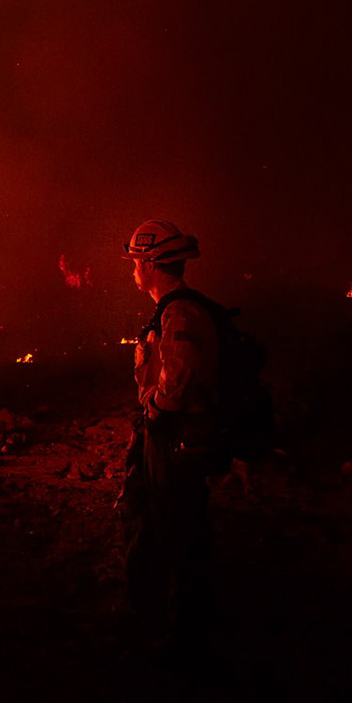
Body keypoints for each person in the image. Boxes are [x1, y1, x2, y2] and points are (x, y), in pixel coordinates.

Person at [119, 219, 220, 654]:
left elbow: (176, 382)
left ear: (154, 265)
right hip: (168, 434)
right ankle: (157, 615)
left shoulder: (180, 313)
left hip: (175, 437)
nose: (133, 270)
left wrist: (156, 412)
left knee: (175, 529)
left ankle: (184, 634)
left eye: (137, 261)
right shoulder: (173, 309)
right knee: (156, 519)